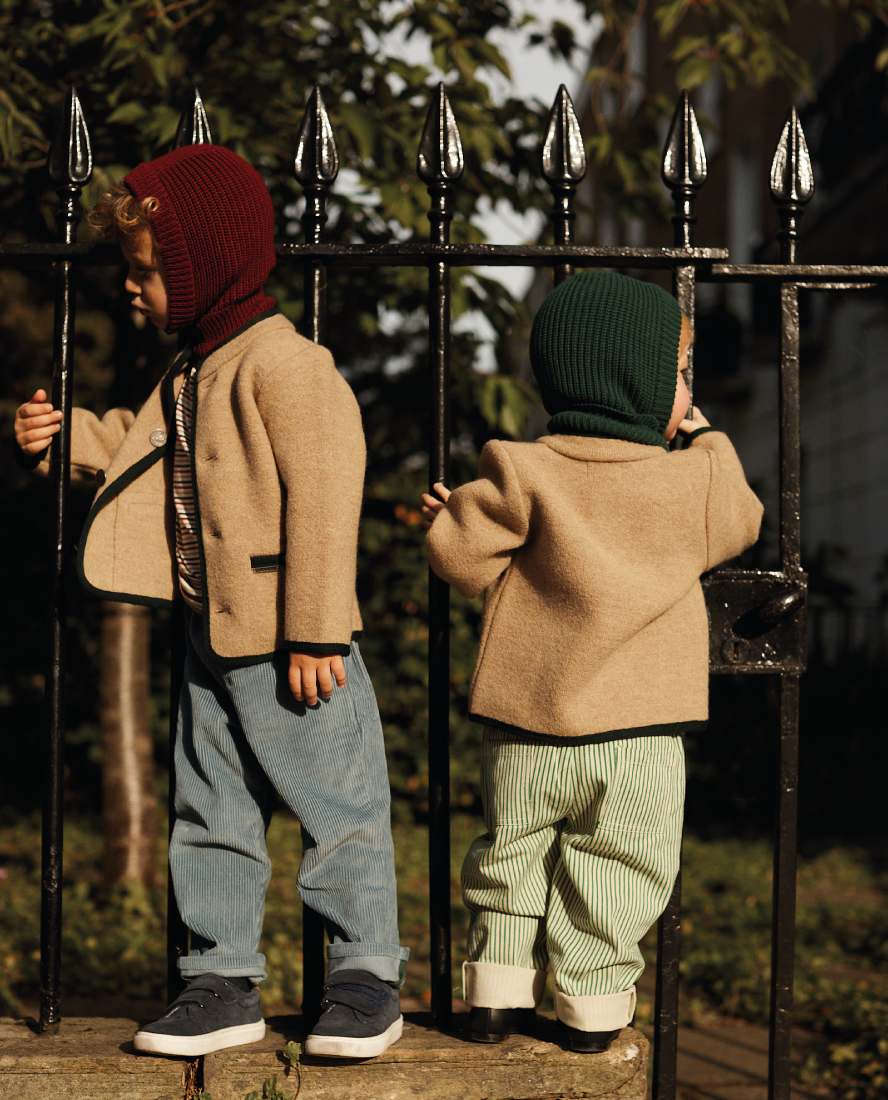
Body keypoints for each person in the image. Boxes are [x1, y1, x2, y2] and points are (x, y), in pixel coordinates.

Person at [14, 144, 407, 1060]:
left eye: (147, 271)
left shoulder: (286, 364)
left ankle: (364, 977)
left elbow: (327, 490)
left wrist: (316, 631)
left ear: (205, 270)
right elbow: (140, 447)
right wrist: (66, 436)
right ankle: (220, 980)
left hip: (292, 644)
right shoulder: (192, 369)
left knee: (339, 805)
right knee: (210, 810)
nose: (130, 286)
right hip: (210, 635)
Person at [421, 271, 763, 1053]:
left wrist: (450, 518)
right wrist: (708, 436)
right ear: (639, 380)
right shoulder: (692, 479)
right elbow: (743, 516)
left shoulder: (522, 467)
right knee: (620, 866)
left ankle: (497, 992)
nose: (687, 389)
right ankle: (593, 1004)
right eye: (680, 373)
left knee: (509, 855)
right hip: (641, 735)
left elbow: (460, 560)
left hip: (527, 723)